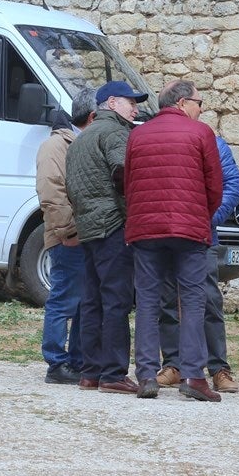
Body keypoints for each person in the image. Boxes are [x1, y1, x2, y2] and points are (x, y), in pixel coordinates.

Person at [125, 80, 222, 401]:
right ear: (182, 102)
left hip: (146, 229)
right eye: (199, 101)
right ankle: (194, 377)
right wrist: (200, 214)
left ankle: (146, 376)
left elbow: (130, 184)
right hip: (189, 229)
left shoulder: (138, 134)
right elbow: (215, 187)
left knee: (148, 302)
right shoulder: (200, 133)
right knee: (193, 300)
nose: (201, 108)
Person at [65, 80, 146, 395]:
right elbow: (124, 171)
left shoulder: (81, 139)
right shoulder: (116, 132)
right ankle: (113, 373)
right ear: (112, 103)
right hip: (113, 225)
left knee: (93, 300)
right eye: (131, 103)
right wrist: (132, 212)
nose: (136, 110)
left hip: (88, 227)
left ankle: (91, 372)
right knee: (116, 300)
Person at [155, 132, 239, 393]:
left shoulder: (214, 143)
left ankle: (218, 369)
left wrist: (208, 219)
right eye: (198, 102)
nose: (201, 108)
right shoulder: (163, 138)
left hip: (203, 234)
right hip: (167, 232)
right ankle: (173, 365)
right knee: (168, 298)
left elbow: (232, 185)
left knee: (209, 299)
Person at [35, 88, 96, 385]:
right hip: (67, 236)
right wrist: (68, 231)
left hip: (81, 235)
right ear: (93, 115)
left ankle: (76, 361)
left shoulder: (75, 142)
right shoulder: (55, 146)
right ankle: (57, 363)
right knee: (63, 300)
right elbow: (51, 192)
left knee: (82, 300)